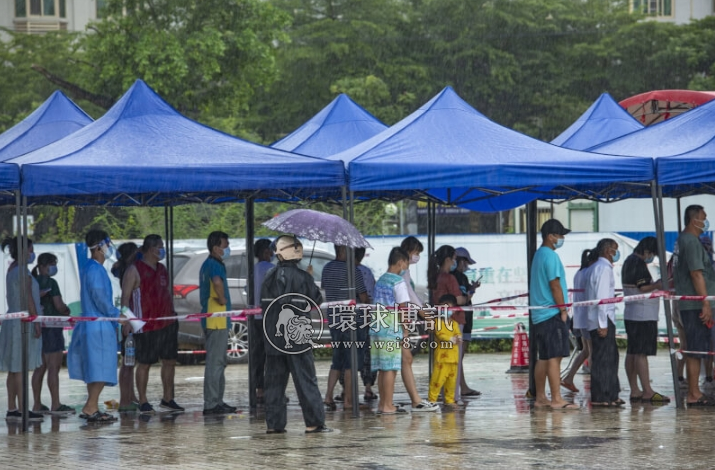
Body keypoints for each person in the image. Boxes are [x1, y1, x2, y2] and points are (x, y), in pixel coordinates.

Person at [261, 235, 331, 433]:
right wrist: (308, 277)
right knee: (305, 379)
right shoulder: (303, 278)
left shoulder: (269, 277)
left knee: (274, 383)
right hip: (298, 337)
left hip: (273, 339)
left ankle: (274, 425)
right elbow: (315, 302)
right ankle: (314, 422)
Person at [121, 234, 183, 414]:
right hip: (144, 325)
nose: (162, 250)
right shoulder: (134, 270)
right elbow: (125, 298)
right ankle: (143, 400)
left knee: (169, 361)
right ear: (150, 249)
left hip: (167, 322)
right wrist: (127, 321)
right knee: (145, 363)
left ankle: (168, 398)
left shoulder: (162, 269)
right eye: (160, 246)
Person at [68, 229, 122, 423]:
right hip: (98, 327)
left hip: (97, 325)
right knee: (100, 369)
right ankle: (90, 407)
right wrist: (117, 315)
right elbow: (100, 299)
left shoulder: (93, 268)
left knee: (96, 370)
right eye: (107, 244)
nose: (109, 249)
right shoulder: (94, 270)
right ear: (99, 246)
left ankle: (93, 406)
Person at [529, 219, 578, 409]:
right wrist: (563, 309)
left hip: (540, 315)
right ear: (551, 237)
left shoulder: (539, 255)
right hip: (552, 314)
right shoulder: (550, 256)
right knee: (555, 357)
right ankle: (557, 398)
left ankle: (541, 397)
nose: (562, 238)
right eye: (560, 235)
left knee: (544, 357)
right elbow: (555, 284)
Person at [673, 204, 715, 406]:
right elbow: (696, 273)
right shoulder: (690, 242)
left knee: (697, 349)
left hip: (693, 303)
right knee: (696, 350)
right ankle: (693, 392)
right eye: (703, 217)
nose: (705, 221)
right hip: (695, 304)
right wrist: (704, 302)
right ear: (693, 219)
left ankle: (694, 390)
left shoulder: (685, 241)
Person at [0, 237, 44, 422]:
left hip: (13, 323)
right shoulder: (21, 271)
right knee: (19, 368)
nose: (32, 253)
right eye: (31, 249)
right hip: (22, 323)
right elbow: (28, 299)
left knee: (14, 369)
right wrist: (36, 321)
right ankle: (23, 408)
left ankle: (12, 407)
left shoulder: (13, 269)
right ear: (24, 251)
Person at [622, 236, 669, 403]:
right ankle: (647, 390)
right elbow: (643, 287)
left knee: (632, 351)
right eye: (653, 254)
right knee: (641, 353)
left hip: (632, 313)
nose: (652, 258)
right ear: (647, 251)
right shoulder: (638, 263)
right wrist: (657, 285)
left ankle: (635, 389)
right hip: (643, 315)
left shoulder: (628, 261)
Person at [321, 244, 368, 411]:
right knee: (351, 362)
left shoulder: (326, 268)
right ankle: (349, 401)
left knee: (337, 360)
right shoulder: (353, 270)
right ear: (342, 251)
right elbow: (362, 296)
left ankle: (328, 396)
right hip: (352, 320)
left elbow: (325, 289)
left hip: (334, 319)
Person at [31, 253, 74, 415]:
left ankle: (36, 404)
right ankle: (55, 404)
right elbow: (59, 305)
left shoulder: (32, 280)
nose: (54, 267)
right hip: (52, 327)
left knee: (39, 368)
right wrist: (67, 311)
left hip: (37, 327)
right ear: (43, 265)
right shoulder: (51, 282)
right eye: (52, 264)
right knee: (53, 367)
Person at [398, 236, 438, 412]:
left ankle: (414, 400)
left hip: (403, 319)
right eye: (416, 253)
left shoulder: (404, 271)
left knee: (403, 360)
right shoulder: (402, 271)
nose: (417, 257)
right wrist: (426, 314)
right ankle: (414, 401)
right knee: (401, 361)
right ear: (409, 251)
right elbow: (410, 296)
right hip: (400, 320)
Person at [199, 231, 237, 415]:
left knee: (219, 362)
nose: (227, 248)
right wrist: (222, 298)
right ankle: (212, 403)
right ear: (216, 248)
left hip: (219, 319)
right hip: (216, 319)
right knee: (215, 362)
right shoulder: (214, 265)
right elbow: (217, 282)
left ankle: (217, 400)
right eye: (225, 245)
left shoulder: (214, 263)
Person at [371, 247, 411, 415]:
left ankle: (383, 403)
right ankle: (388, 406)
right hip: (391, 329)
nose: (406, 269)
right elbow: (403, 308)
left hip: (377, 328)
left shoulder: (380, 280)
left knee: (382, 367)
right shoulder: (398, 282)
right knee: (391, 368)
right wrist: (406, 330)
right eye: (406, 265)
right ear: (401, 262)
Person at [587, 238, 623, 407]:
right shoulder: (603, 269)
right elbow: (602, 298)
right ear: (609, 251)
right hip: (603, 319)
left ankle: (610, 394)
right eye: (615, 250)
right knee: (604, 359)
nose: (616, 254)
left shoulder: (597, 267)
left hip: (600, 318)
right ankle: (602, 395)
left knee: (609, 357)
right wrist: (602, 323)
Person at [560, 248, 596, 393]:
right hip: (587, 317)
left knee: (586, 351)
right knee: (592, 351)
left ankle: (569, 378)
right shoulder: (589, 273)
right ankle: (597, 384)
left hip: (580, 317)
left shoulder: (579, 273)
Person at [112, 242, 140, 412]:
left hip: (135, 322)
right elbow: (125, 299)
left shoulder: (127, 269)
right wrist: (127, 321)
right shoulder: (128, 272)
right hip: (130, 323)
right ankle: (124, 400)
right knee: (127, 363)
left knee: (131, 362)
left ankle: (131, 396)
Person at [452, 247, 481, 397]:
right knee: (457, 355)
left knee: (460, 355)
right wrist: (470, 292)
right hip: (459, 319)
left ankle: (462, 386)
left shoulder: (462, 278)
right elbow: (462, 299)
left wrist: (472, 288)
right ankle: (456, 388)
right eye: (465, 262)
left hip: (466, 319)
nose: (466, 266)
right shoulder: (453, 278)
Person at [428, 294, 462, 408]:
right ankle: (432, 400)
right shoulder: (437, 322)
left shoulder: (454, 323)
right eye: (443, 308)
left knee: (451, 382)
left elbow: (458, 335)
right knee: (437, 380)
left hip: (453, 359)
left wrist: (458, 338)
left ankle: (449, 400)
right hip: (442, 359)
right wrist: (450, 339)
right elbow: (440, 335)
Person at [251, 238, 274, 405]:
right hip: (270, 316)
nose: (272, 253)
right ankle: (272, 389)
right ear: (264, 252)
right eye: (269, 251)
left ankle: (259, 389)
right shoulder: (272, 269)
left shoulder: (252, 270)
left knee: (258, 354)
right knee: (272, 355)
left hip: (255, 317)